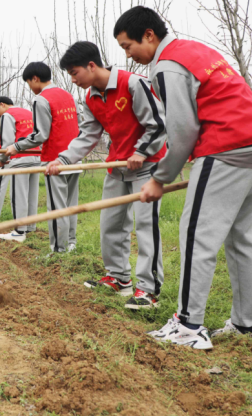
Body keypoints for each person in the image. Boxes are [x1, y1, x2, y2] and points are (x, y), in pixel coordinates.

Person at [115, 6, 252, 349]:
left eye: (128, 47)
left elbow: (183, 130)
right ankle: (247, 325)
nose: (129, 56)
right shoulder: (195, 50)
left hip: (228, 145)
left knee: (196, 233)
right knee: (242, 234)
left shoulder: (167, 65)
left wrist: (159, 178)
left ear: (149, 35)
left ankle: (188, 326)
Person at [47, 41, 167, 309]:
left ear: (92, 65)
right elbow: (88, 134)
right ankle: (119, 278)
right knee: (111, 224)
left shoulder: (134, 84)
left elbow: (158, 124)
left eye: (75, 73)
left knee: (146, 227)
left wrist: (141, 152)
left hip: (146, 166)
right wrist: (63, 160)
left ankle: (149, 290)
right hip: (116, 167)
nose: (74, 79)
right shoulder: (90, 97)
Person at [4, 61, 80, 254]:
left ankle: (58, 250)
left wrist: (17, 146)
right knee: (71, 204)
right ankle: (71, 243)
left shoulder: (41, 99)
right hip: (74, 158)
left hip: (55, 160)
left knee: (57, 207)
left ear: (35, 79)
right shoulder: (68, 95)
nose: (30, 87)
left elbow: (40, 135)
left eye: (29, 83)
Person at [0, 96, 41, 243]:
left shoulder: (8, 115)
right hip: (36, 156)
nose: (0, 116)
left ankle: (19, 231)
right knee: (32, 194)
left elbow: (7, 142)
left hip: (20, 159)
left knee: (19, 196)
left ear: (2, 105)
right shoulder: (29, 113)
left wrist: (1, 161)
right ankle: (30, 227)